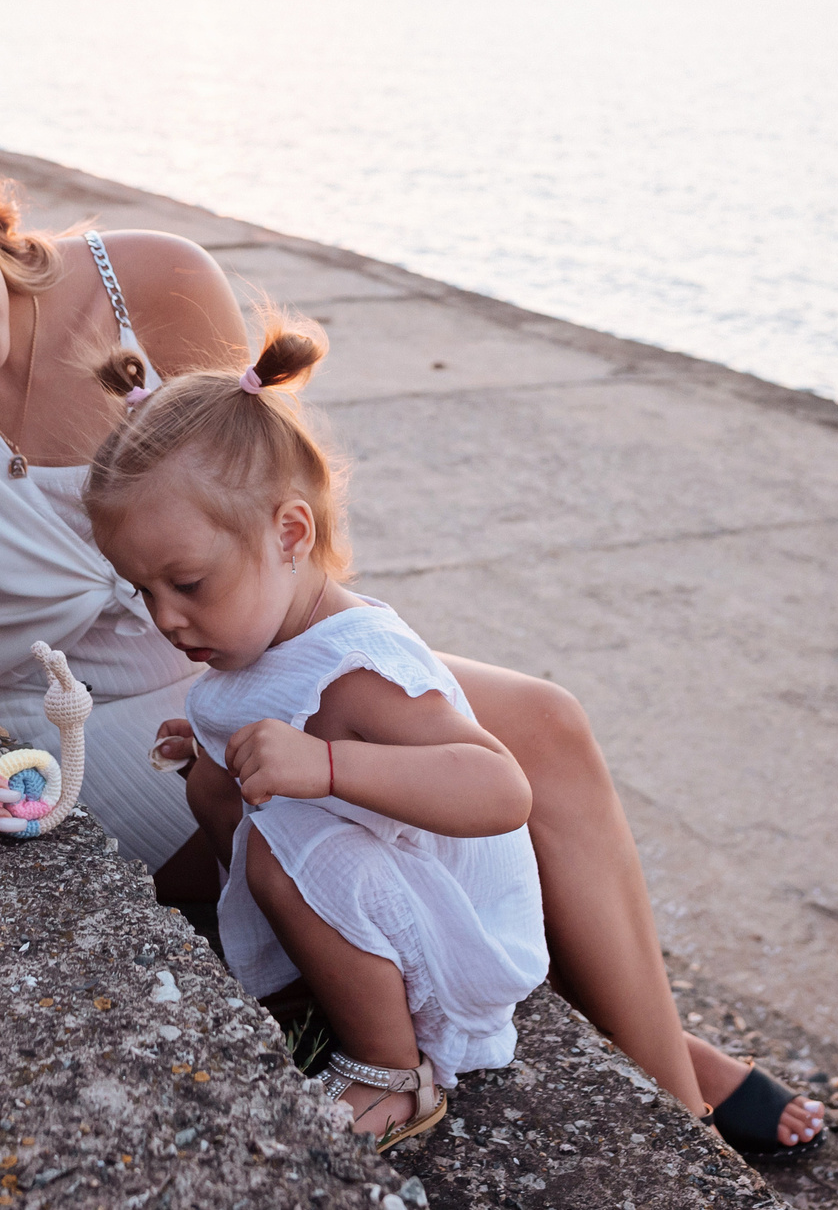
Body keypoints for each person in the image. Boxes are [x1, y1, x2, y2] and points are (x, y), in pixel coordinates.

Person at [0, 94, 825, 1156]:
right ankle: (660, 1063)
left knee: (537, 726)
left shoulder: (155, 278)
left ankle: (657, 1084)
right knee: (378, 786)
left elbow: (254, 530)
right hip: (112, 733)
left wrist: (346, 679)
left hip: (258, 655)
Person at [85, 325, 544, 1150]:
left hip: (456, 937)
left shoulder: (361, 665)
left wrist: (328, 763)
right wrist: (211, 739)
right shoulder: (266, 635)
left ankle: (392, 1073)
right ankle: (302, 983)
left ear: (291, 533)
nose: (164, 617)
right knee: (219, 783)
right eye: (142, 589)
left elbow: (501, 789)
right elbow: (269, 731)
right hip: (386, 901)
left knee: (285, 839)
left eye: (187, 583)